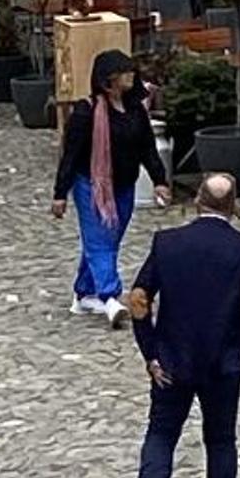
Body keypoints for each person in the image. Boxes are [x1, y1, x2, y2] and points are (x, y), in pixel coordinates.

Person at [124, 171, 240, 478]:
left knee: (161, 433)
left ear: (197, 201)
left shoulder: (168, 244)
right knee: (220, 440)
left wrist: (150, 351)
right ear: (234, 206)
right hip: (221, 364)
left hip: (171, 361)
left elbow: (138, 299)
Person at [54, 50, 170, 323]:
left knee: (107, 241)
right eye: (124, 71)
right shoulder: (86, 112)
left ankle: (84, 293)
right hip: (91, 185)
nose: (131, 75)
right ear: (109, 79)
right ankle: (110, 297)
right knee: (99, 240)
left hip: (124, 185)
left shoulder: (135, 111)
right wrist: (60, 193)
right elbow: (70, 155)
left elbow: (147, 148)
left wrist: (160, 180)